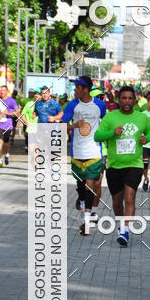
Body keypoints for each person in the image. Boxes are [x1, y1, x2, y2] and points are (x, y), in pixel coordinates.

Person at [94, 85, 150, 247]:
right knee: (116, 202)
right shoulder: (110, 117)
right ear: (118, 100)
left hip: (134, 165)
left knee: (130, 198)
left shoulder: (141, 118)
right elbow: (97, 136)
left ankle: (125, 231)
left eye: (129, 98)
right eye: (123, 98)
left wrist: (146, 139)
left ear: (135, 101)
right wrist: (112, 133)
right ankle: (121, 224)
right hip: (114, 166)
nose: (126, 101)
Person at [61, 76, 107, 234]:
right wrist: (74, 125)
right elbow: (61, 126)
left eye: (77, 87)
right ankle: (81, 203)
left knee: (90, 185)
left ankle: (86, 220)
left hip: (94, 152)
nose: (75, 90)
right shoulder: (72, 105)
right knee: (81, 187)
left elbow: (106, 122)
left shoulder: (100, 105)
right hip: (76, 152)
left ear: (85, 89)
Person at [0, 85, 19, 167]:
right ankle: (0, 160)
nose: (2, 92)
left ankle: (7, 154)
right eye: (1, 90)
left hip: (8, 125)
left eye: (4, 90)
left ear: (7, 91)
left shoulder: (11, 101)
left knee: (6, 142)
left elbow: (17, 111)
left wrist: (9, 113)